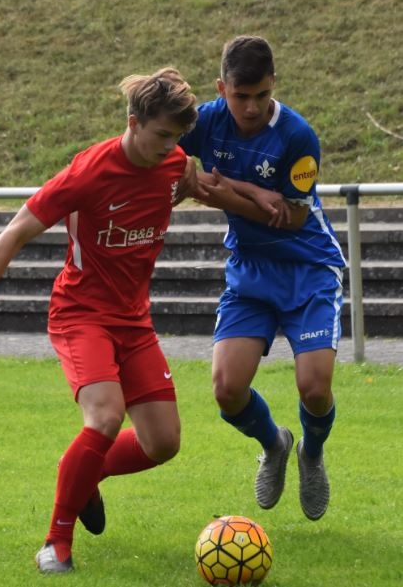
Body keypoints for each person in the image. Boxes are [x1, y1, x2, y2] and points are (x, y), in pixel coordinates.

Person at [0, 67, 198, 573]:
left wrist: (245, 194)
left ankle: (82, 473)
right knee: (106, 417)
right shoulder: (88, 173)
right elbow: (16, 230)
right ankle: (55, 543)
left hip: (134, 320)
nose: (169, 146)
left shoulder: (175, 162)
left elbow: (190, 177)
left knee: (163, 443)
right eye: (161, 134)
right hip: (80, 314)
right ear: (133, 122)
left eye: (177, 137)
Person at [179, 35, 346, 521]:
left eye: (262, 95)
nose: (251, 107)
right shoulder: (205, 122)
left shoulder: (297, 135)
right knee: (227, 390)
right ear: (221, 88)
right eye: (241, 96)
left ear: (274, 84)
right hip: (250, 270)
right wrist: (245, 189)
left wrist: (218, 191)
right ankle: (275, 443)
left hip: (308, 268)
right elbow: (165, 157)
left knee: (314, 388)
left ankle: (311, 453)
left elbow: (291, 218)